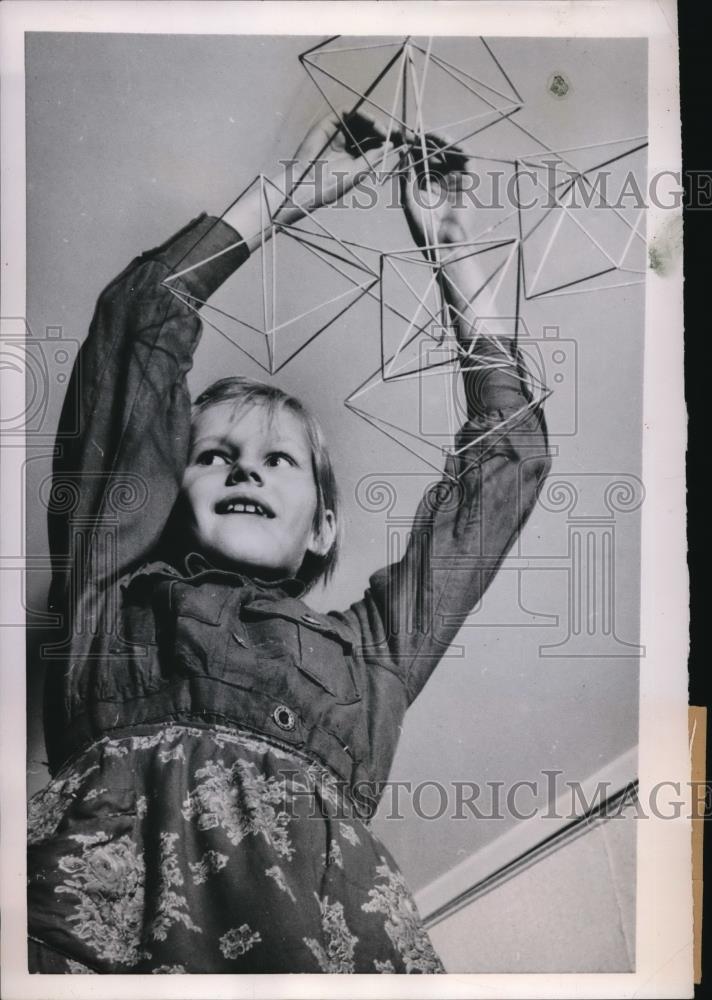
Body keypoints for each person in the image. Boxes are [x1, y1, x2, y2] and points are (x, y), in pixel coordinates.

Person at [27, 112, 550, 974]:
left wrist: (457, 260)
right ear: (161, 489)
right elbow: (138, 318)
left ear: (324, 525)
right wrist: (281, 196)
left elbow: (509, 461)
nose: (245, 471)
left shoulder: (371, 656)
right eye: (213, 455)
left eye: (278, 461)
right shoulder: (110, 592)